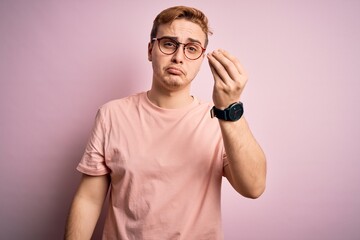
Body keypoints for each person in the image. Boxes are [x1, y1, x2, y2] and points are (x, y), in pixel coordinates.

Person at [65, 5, 266, 240]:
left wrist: (228, 108)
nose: (178, 57)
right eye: (169, 44)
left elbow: (253, 187)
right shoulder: (112, 115)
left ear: (202, 58)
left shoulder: (219, 120)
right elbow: (88, 199)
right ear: (151, 50)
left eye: (191, 48)